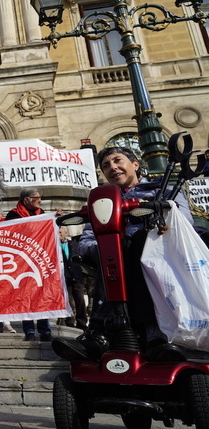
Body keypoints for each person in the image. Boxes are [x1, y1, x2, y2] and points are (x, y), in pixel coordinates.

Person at [53, 146, 194, 362]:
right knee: (112, 252)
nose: (113, 167)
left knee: (133, 243)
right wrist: (111, 245)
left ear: (135, 164)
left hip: (160, 258)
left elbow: (182, 220)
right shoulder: (100, 202)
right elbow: (86, 242)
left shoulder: (160, 190)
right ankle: (98, 333)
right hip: (116, 264)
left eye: (118, 161)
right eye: (106, 166)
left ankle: (154, 334)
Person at [6, 189, 52, 342]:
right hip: (22, 263)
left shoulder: (43, 214)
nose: (40, 201)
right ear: (26, 200)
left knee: (42, 296)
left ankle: (45, 330)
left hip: (40, 262)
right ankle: (30, 331)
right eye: (36, 198)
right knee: (26, 297)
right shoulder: (13, 215)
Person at [59, 226, 87, 331]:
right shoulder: (54, 246)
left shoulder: (74, 244)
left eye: (61, 232)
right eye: (58, 233)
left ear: (66, 233)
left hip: (76, 276)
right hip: (64, 277)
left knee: (80, 299)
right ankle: (69, 321)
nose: (59, 234)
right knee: (67, 300)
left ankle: (82, 322)